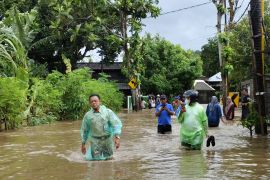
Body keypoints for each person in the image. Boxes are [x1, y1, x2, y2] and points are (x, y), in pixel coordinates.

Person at [80, 94, 122, 161]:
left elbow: (116, 124)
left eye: (95, 101)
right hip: (95, 141)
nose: (93, 103)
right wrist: (83, 144)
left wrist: (117, 137)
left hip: (107, 140)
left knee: (110, 159)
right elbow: (84, 130)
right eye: (91, 101)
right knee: (96, 161)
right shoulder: (88, 116)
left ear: (100, 101)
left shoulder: (108, 112)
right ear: (89, 103)